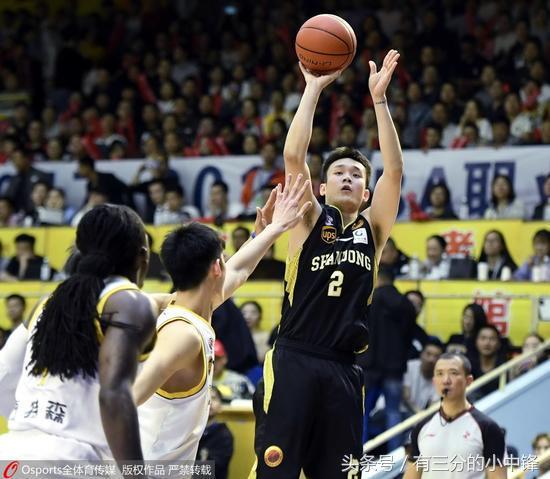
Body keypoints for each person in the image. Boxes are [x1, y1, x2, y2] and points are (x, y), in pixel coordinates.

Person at [251, 50, 403, 478]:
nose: (349, 177)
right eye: (339, 172)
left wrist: (380, 102)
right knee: (278, 470)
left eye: (356, 174)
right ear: (321, 186)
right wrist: (313, 88)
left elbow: (393, 170)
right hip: (294, 358)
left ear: (367, 193)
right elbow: (294, 158)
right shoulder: (308, 219)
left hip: (343, 368)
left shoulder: (372, 230)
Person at [133, 174, 312, 460]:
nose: (229, 262)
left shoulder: (197, 304)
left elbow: (240, 270)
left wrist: (269, 231)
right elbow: (125, 400)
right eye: (224, 257)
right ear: (217, 267)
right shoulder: (183, 334)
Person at [0, 205, 157, 462]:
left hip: (11, 450)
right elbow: (114, 394)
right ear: (143, 256)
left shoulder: (47, 301)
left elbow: (2, 374)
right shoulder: (131, 302)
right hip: (72, 460)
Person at [404, 353, 506, 479]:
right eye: (440, 374)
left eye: (453, 373)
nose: (446, 380)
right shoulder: (422, 427)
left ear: (468, 381)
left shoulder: (487, 428)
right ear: (434, 381)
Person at [360, 266, 417, 448]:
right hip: (395, 368)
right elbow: (409, 336)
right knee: (393, 411)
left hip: (369, 367)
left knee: (362, 412)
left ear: (377, 278)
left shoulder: (370, 300)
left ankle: (359, 453)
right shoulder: (406, 303)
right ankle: (394, 456)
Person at [196, 386, 234, 479]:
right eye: (205, 398)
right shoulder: (190, 432)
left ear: (220, 406)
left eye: (213, 398)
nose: (209, 402)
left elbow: (213, 469)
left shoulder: (224, 435)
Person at [402, 338, 444, 414]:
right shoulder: (409, 366)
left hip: (414, 417)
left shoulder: (439, 379)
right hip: (395, 412)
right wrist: (420, 415)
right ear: (421, 354)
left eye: (436, 356)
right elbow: (406, 397)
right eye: (428, 354)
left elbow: (433, 407)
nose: (431, 359)